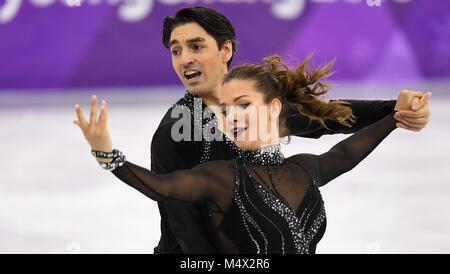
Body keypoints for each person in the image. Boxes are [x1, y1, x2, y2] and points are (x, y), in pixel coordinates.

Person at [73, 54, 431, 254]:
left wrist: (394, 118)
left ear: (275, 107)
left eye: (243, 105)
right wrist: (108, 154)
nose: (232, 117)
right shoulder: (220, 177)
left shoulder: (303, 169)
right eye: (225, 111)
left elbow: (346, 151)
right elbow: (159, 187)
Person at [145, 7, 430, 253]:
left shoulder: (256, 106)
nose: (184, 59)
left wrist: (397, 109)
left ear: (225, 50)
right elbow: (189, 236)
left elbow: (324, 117)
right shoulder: (173, 135)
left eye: (196, 47)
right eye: (176, 51)